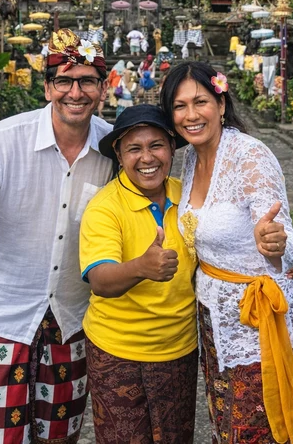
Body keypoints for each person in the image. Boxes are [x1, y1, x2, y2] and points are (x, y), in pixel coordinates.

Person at [0, 28, 113, 444]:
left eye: (87, 81)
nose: (75, 92)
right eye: (64, 81)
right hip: (0, 317)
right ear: (47, 88)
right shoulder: (3, 142)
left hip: (72, 320)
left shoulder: (113, 150)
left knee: (59, 437)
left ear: (103, 89)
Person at [160, 61, 293, 444]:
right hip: (215, 316)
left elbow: (281, 232)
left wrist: (277, 243)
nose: (191, 115)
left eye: (200, 102)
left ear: (221, 104)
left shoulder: (250, 156)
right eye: (179, 106)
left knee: (252, 432)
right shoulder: (192, 156)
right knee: (224, 422)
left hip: (260, 318)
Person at [78, 104, 197, 443]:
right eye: (134, 149)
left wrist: (288, 258)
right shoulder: (105, 208)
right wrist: (141, 267)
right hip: (118, 352)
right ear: (118, 155)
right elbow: (100, 280)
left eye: (156, 145)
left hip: (179, 349)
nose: (147, 158)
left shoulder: (188, 196)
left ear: (172, 147)